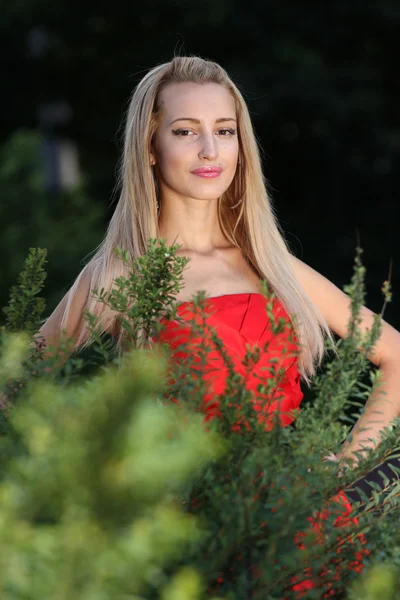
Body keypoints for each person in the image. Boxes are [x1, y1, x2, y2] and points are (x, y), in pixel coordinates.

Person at [8, 55, 400, 595]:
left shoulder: (272, 264)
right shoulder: (122, 273)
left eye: (225, 131)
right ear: (150, 146)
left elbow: (396, 353)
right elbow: (16, 383)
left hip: (297, 520)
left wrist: (346, 464)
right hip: (188, 533)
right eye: (186, 131)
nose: (211, 151)